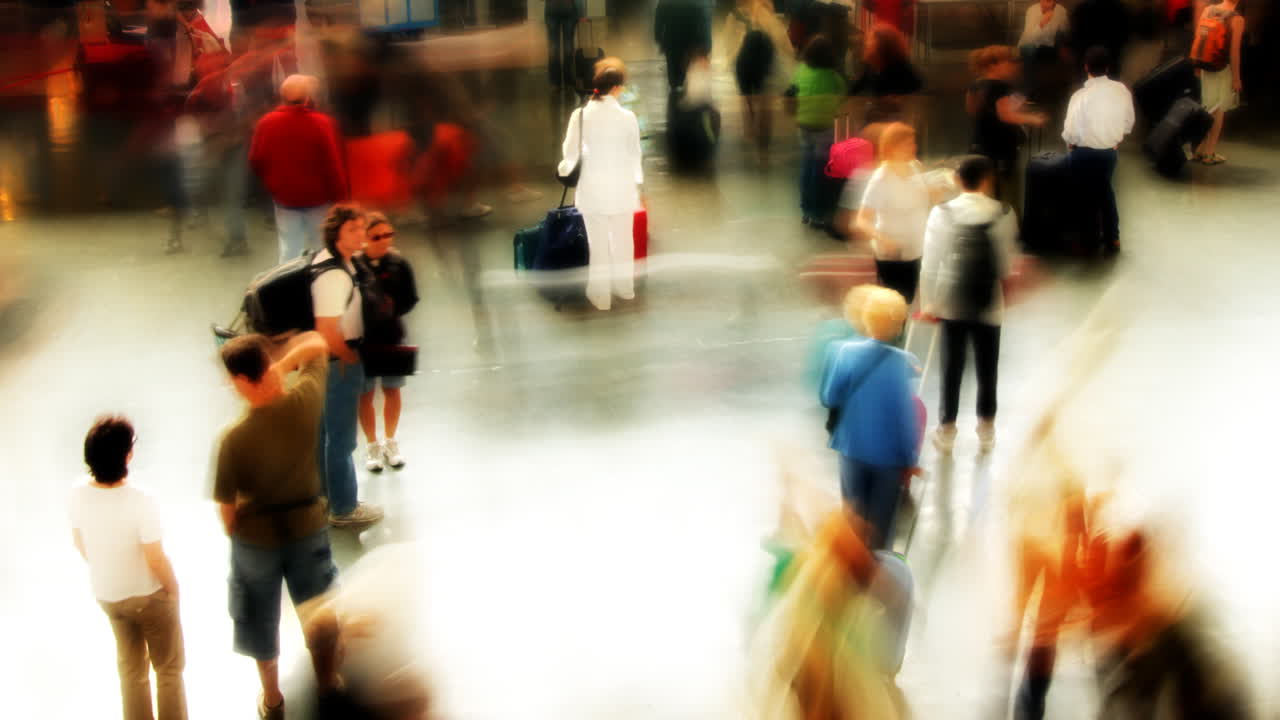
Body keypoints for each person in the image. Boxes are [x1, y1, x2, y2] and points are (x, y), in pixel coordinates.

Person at [214, 331, 343, 719]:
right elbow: (318, 345)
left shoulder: (234, 438)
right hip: (306, 526)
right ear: (266, 368)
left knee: (259, 618)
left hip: (257, 541)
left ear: (239, 381)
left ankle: (272, 699)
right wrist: (283, 364)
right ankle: (327, 683)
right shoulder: (304, 401)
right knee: (317, 609)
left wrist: (238, 529)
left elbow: (226, 509)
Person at [70, 416, 187, 720]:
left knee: (132, 671)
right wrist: (173, 589)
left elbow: (80, 543)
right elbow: (155, 559)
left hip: (109, 595)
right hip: (150, 598)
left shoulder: (77, 494)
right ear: (127, 455)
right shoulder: (142, 500)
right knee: (169, 671)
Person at [919, 155, 1020, 453]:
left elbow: (931, 263)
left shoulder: (942, 213)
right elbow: (1005, 263)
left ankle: (947, 429)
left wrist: (929, 303)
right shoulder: (1003, 212)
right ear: (987, 180)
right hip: (989, 301)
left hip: (951, 300)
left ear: (957, 180)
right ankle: (986, 428)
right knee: (988, 366)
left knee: (951, 365)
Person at [819, 286, 920, 550]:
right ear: (897, 325)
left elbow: (830, 397)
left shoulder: (845, 353)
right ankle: (878, 572)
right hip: (888, 457)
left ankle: (853, 569)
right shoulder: (903, 363)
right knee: (881, 527)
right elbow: (904, 416)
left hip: (851, 449)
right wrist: (910, 459)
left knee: (853, 517)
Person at [312, 204, 385, 526]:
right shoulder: (334, 277)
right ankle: (343, 507)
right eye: (352, 230)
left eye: (362, 228)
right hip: (337, 361)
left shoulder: (336, 262)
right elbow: (327, 330)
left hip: (330, 360)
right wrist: (349, 357)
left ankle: (326, 496)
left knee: (325, 432)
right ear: (335, 234)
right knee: (341, 439)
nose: (361, 234)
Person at [557, 59, 644, 312]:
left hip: (593, 191)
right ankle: (625, 289)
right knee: (623, 241)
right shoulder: (628, 117)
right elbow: (634, 154)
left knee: (598, 245)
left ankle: (600, 296)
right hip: (622, 190)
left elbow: (570, 152)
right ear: (616, 88)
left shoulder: (581, 115)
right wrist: (638, 184)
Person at [248, 74, 348, 264]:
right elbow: (333, 165)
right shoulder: (322, 123)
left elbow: (256, 160)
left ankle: (287, 285)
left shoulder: (266, 123)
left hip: (284, 198)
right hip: (318, 198)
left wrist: (272, 184)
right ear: (308, 97)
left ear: (282, 96)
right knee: (322, 248)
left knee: (289, 248)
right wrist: (341, 199)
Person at [356, 213, 419, 472]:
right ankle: (372, 444)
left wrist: (393, 309)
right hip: (364, 339)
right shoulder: (354, 266)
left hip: (391, 334)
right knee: (366, 393)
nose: (384, 241)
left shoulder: (398, 263)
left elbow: (411, 296)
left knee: (392, 389)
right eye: (376, 236)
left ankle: (390, 440)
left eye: (388, 235)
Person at [1061, 46, 1134, 256]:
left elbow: (1071, 131)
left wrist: (1070, 143)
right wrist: (1117, 138)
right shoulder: (1121, 90)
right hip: (1109, 152)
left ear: (1086, 68)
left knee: (1084, 196)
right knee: (1105, 191)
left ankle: (1088, 238)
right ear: (1108, 68)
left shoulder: (1080, 96)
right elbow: (1129, 122)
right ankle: (1113, 236)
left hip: (1083, 153)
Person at [853, 122, 935, 306]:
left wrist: (935, 193)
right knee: (894, 307)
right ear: (892, 148)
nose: (913, 147)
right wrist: (883, 239)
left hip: (916, 249)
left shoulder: (915, 166)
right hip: (892, 255)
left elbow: (925, 197)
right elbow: (862, 220)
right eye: (907, 144)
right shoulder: (881, 179)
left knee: (908, 300)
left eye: (913, 143)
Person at [966, 45, 1047, 207]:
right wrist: (1033, 119)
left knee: (984, 195)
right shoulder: (1002, 87)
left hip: (979, 146)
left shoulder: (975, 86)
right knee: (1007, 196)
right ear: (993, 65)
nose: (1013, 65)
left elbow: (973, 110)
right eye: (1008, 61)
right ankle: (1009, 226)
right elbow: (1006, 115)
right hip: (1002, 151)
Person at [787, 34, 847, 232]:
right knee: (820, 169)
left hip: (804, 125)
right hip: (824, 127)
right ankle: (817, 212)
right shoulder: (833, 77)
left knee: (806, 165)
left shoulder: (800, 71)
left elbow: (791, 93)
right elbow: (843, 98)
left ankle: (805, 209)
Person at [720, 0, 789, 166]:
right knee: (765, 103)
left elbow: (727, 40)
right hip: (763, 64)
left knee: (747, 98)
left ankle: (749, 129)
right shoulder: (767, 15)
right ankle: (762, 148)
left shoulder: (734, 16)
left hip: (741, 63)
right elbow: (781, 40)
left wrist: (730, 58)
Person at [1190, 0, 1245, 166]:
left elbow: (1199, 37)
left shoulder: (1208, 10)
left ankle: (1200, 149)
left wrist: (1197, 65)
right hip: (1222, 69)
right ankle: (1209, 153)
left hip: (1206, 65)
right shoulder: (1237, 19)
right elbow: (1234, 53)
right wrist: (1236, 77)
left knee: (1208, 107)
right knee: (1218, 110)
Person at [848, 24, 923, 124]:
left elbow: (918, 90)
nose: (867, 44)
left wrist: (901, 99)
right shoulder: (870, 66)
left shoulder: (901, 66)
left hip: (897, 122)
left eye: (871, 40)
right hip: (875, 120)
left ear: (883, 45)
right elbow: (856, 89)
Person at [654, 0, 713, 92]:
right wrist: (707, 45)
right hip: (692, 41)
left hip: (672, 40)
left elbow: (659, 19)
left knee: (674, 75)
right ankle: (682, 93)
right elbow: (704, 21)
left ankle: (675, 93)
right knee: (689, 75)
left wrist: (659, 38)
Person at [1017, 0, 1069, 101]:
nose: (1045, 4)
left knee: (1063, 52)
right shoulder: (1032, 10)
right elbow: (1030, 37)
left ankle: (1057, 94)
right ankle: (1029, 93)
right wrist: (1042, 23)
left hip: (1048, 46)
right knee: (1030, 50)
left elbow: (1066, 31)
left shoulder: (1061, 11)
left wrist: (1064, 43)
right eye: (1043, 1)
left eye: (1049, 1)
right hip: (1029, 44)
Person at [545, 0, 584, 88]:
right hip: (568, 7)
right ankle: (568, 80)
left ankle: (555, 82)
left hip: (551, 8)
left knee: (553, 47)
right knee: (568, 46)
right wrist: (581, 13)